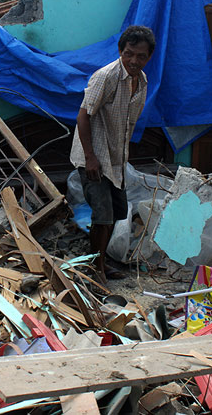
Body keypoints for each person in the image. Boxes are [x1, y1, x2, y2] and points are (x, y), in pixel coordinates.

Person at [70, 25, 156, 283]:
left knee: (116, 214)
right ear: (120, 51)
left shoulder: (141, 82)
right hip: (94, 159)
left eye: (141, 56)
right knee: (103, 216)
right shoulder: (105, 76)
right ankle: (96, 271)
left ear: (148, 57)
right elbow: (83, 116)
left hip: (115, 159)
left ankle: (99, 263)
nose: (134, 60)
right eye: (129, 53)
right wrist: (90, 157)